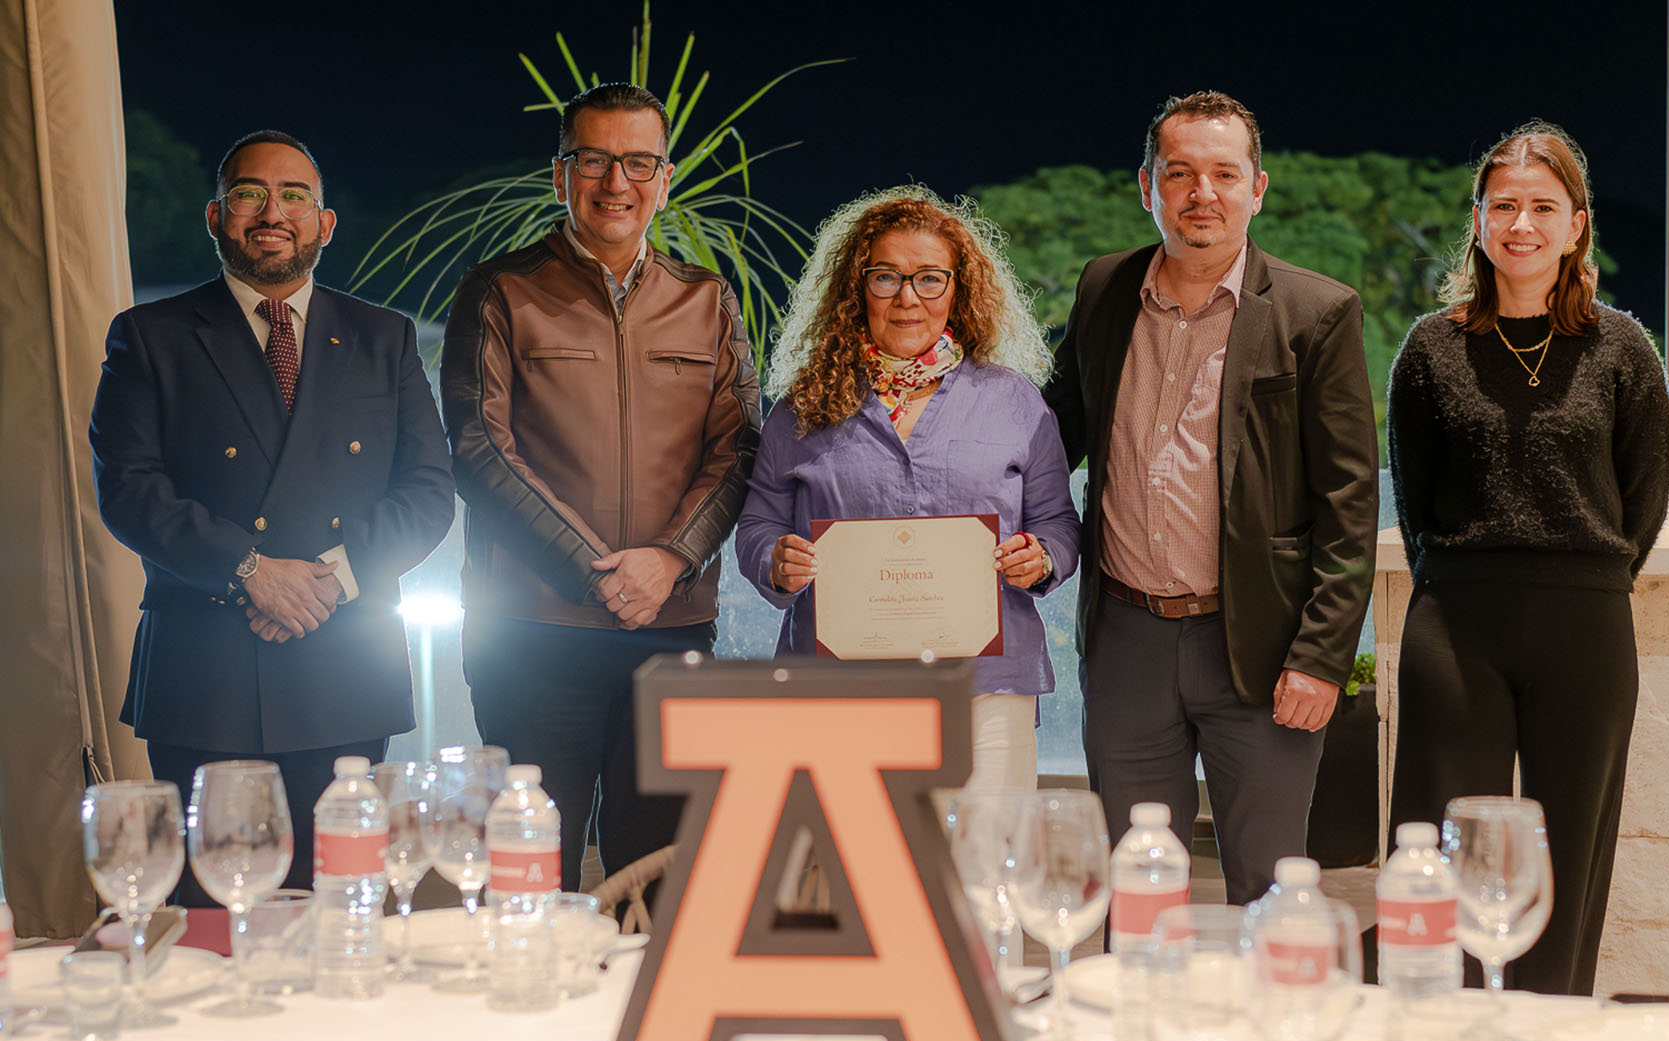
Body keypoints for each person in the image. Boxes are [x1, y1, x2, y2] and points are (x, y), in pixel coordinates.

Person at [90, 130, 456, 901]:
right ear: (217, 217)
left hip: (345, 665)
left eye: (294, 195)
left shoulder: (382, 337)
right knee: (208, 919)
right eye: (250, 193)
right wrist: (249, 571)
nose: (272, 211)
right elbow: (129, 488)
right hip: (206, 670)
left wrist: (330, 580)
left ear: (324, 224)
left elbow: (427, 489)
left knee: (342, 913)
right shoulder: (150, 337)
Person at [1043, 92, 1380, 904]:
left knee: (1268, 892)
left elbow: (1349, 503)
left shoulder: (1315, 312)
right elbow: (1050, 438)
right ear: (1146, 185)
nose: (1202, 193)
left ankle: (1268, 1033)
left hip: (1261, 649)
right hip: (1126, 639)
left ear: (1257, 188)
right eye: (1180, 173)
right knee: (1135, 887)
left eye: (1224, 174)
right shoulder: (1103, 290)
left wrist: (1322, 656)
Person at [441, 83, 761, 889]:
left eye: (638, 162)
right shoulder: (498, 290)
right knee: (528, 880)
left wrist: (669, 560)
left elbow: (740, 448)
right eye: (594, 160)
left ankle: (638, 1020)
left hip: (672, 633)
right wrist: (596, 569)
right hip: (529, 636)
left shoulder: (709, 301)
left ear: (666, 177)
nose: (615, 182)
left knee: (657, 885)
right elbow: (479, 447)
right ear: (560, 174)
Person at [1386, 122, 1669, 996]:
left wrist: (1588, 576)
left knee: (1569, 854)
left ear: (1576, 225)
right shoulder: (1432, 350)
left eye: (1543, 207)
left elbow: (1645, 493)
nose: (1522, 224)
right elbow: (1415, 493)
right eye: (1504, 206)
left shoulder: (1623, 351)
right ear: (1477, 221)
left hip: (1584, 623)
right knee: (1443, 851)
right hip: (1456, 624)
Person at [735, 188, 1079, 790]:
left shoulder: (1014, 402)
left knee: (982, 867)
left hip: (987, 686)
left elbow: (1057, 522)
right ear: (855, 287)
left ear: (958, 289)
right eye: (886, 277)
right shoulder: (802, 410)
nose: (907, 298)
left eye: (929, 279)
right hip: (841, 687)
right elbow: (758, 525)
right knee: (857, 870)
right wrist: (774, 560)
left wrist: (1042, 556)